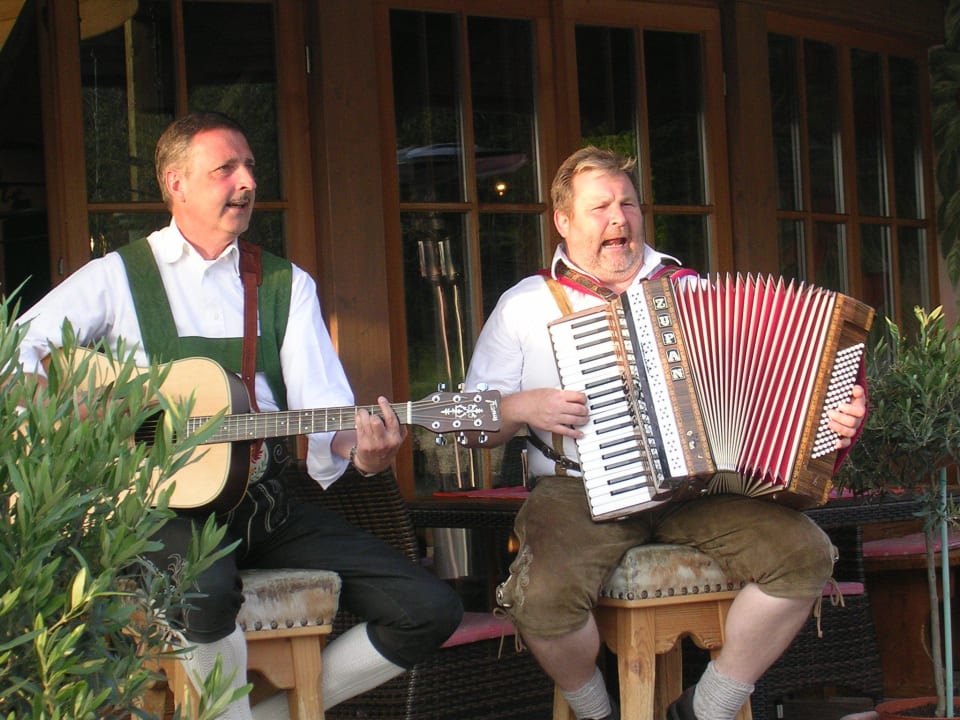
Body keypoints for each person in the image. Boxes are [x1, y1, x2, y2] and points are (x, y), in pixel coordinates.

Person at [14, 111, 463, 720]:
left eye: (249, 166)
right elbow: (14, 349)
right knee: (204, 592)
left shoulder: (283, 284)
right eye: (225, 169)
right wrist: (71, 405)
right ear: (176, 183)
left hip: (262, 504)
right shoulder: (117, 277)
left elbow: (325, 410)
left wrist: (363, 453)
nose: (246, 182)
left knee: (428, 607)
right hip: (155, 508)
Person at [462, 146, 867, 720]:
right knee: (542, 599)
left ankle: (705, 708)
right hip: (577, 491)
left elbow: (776, 382)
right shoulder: (525, 304)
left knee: (805, 555)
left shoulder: (691, 291)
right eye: (600, 207)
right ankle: (596, 711)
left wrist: (835, 415)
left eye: (627, 204)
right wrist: (522, 406)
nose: (618, 219)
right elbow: (471, 425)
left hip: (695, 488)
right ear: (564, 221)